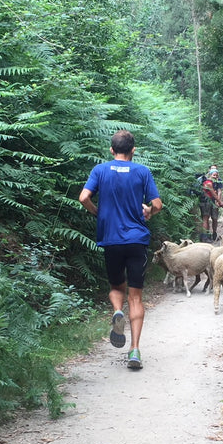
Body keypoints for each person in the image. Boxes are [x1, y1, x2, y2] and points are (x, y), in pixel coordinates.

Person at [78, 129, 163, 370]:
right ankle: (134, 350)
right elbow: (157, 204)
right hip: (137, 241)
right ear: (133, 150)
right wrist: (149, 212)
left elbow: (83, 197)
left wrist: (98, 213)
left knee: (116, 287)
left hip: (111, 239)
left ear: (112, 150)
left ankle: (117, 311)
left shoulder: (100, 170)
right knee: (135, 297)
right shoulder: (142, 171)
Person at [199, 166, 221, 241]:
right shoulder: (208, 183)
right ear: (210, 175)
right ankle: (205, 237)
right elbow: (214, 194)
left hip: (207, 202)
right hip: (206, 202)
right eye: (214, 175)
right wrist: (219, 201)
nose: (215, 177)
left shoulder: (208, 182)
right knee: (205, 219)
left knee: (207, 218)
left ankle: (206, 236)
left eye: (216, 175)